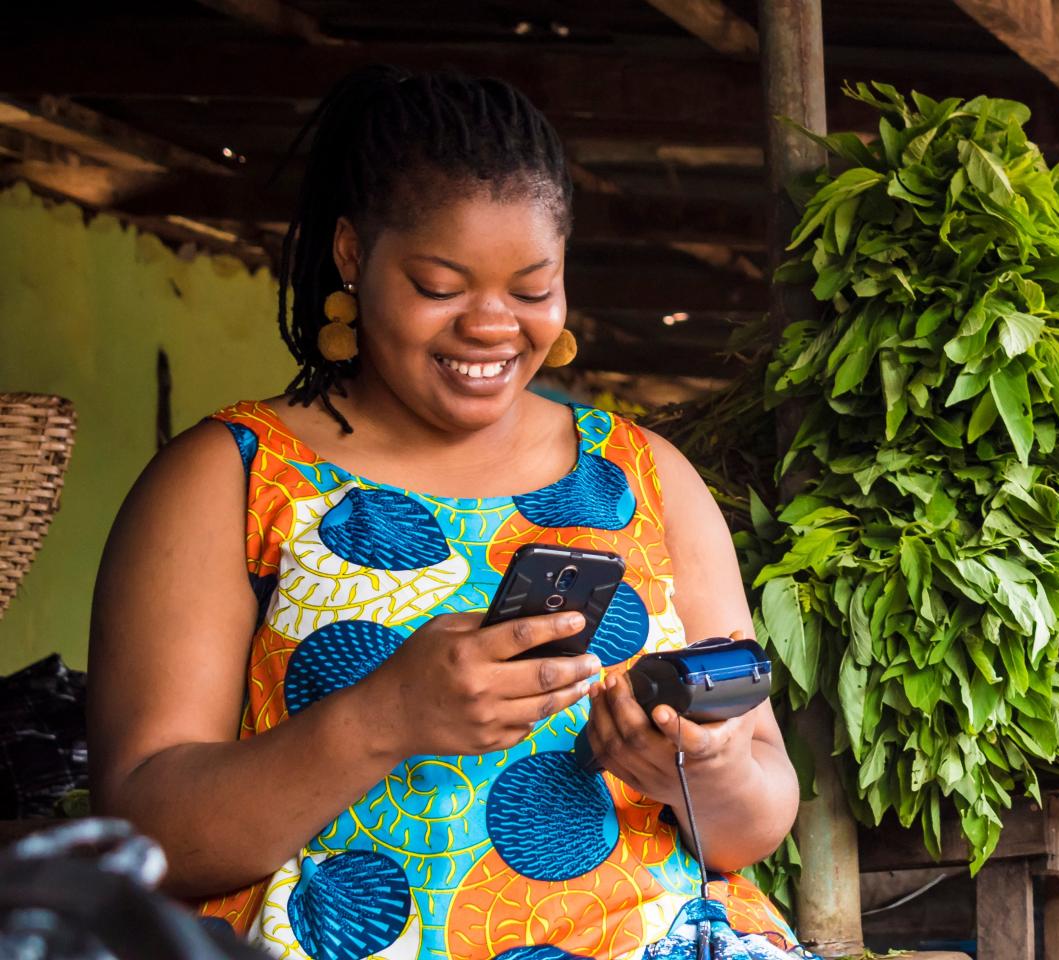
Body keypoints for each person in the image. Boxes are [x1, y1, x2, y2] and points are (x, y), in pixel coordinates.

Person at [86, 66, 806, 959]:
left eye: (533, 289)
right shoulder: (230, 477)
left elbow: (755, 818)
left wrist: (704, 768)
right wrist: (381, 719)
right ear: (353, 257)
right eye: (440, 285)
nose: (493, 325)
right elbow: (142, 842)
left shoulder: (645, 473)